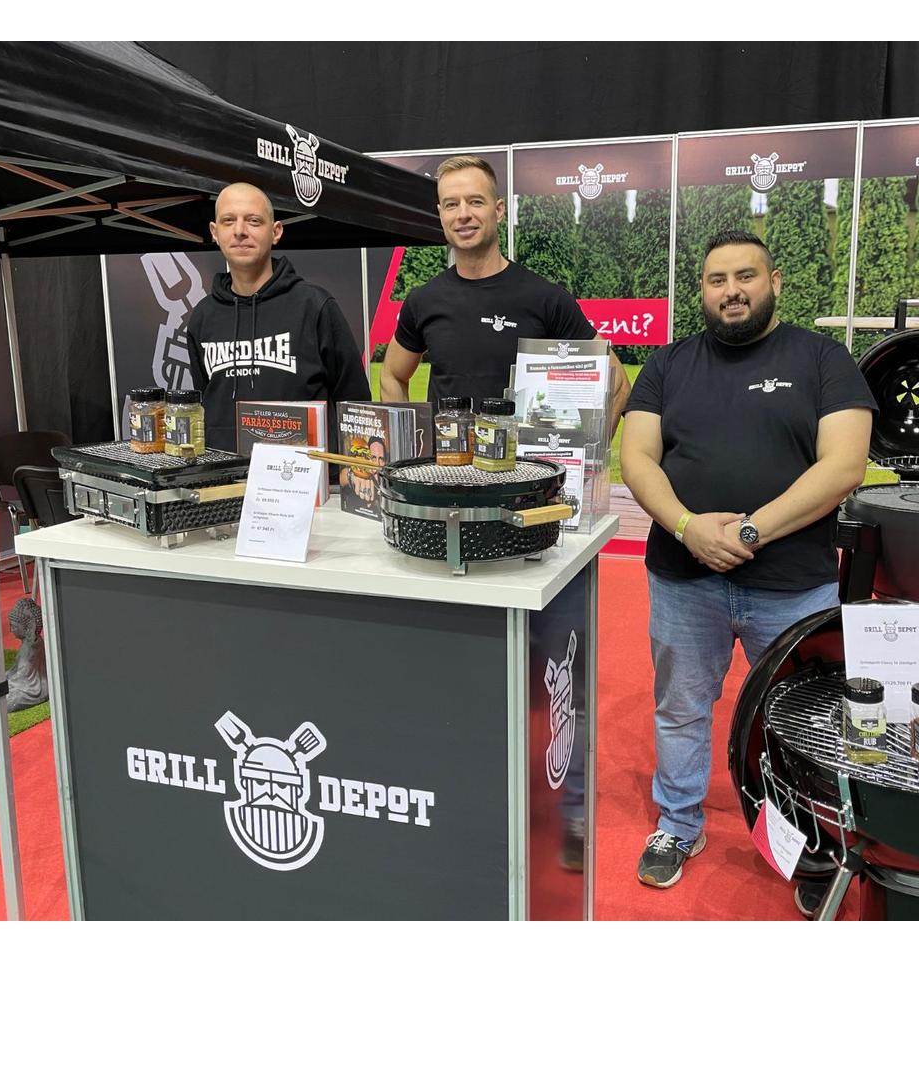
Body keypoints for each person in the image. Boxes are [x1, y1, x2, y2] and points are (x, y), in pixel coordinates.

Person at [620, 231, 877, 913]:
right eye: (717, 280)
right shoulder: (668, 364)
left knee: (800, 717)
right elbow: (637, 458)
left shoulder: (822, 359)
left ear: (774, 281)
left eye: (745, 276)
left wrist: (749, 531)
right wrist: (687, 527)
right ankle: (679, 824)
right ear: (702, 290)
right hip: (683, 577)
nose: (731, 291)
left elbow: (844, 466)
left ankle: (812, 842)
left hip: (794, 582)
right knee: (680, 707)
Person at [380, 155, 631, 430]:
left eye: (475, 202)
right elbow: (392, 375)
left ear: (498, 210)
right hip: (449, 458)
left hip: (522, 459)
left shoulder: (546, 299)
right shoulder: (423, 300)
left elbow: (618, 384)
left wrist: (585, 451)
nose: (463, 214)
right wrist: (409, 445)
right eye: (451, 204)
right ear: (441, 214)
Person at [187, 182, 370, 450]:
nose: (240, 231)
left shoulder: (314, 305)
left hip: (304, 473)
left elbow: (354, 402)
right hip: (225, 472)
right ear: (215, 232)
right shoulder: (203, 316)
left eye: (253, 221)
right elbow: (205, 399)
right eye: (228, 221)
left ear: (276, 232)